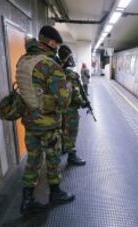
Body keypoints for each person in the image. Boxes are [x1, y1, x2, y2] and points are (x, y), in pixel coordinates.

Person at [16, 25, 75, 215]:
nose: (57, 48)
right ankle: (55, 193)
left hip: (29, 120)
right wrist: (68, 85)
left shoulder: (23, 60)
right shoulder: (50, 65)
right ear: (51, 42)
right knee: (52, 158)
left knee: (33, 159)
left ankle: (27, 200)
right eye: (56, 45)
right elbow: (64, 101)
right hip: (48, 124)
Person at [58, 45, 86, 166]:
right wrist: (83, 103)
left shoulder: (56, 71)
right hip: (70, 110)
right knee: (71, 132)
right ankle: (72, 156)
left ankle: (64, 148)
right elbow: (76, 94)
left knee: (62, 130)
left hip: (58, 109)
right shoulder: (71, 75)